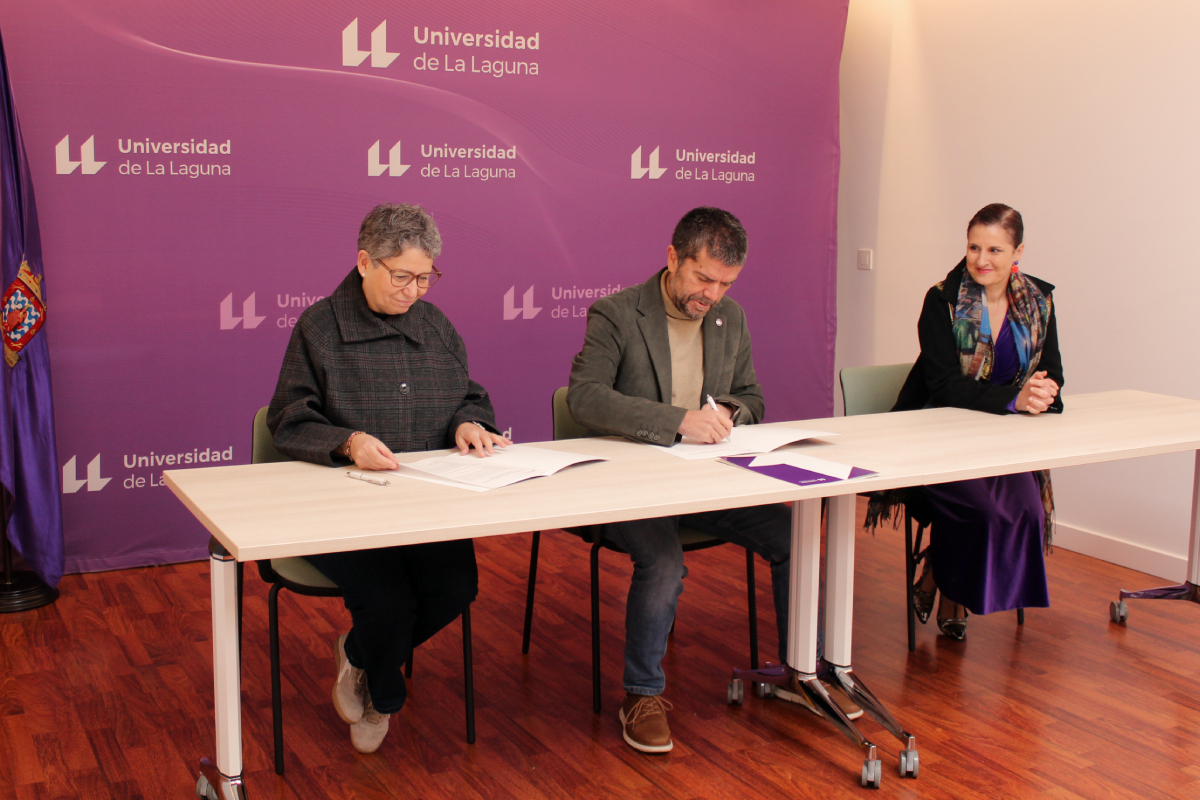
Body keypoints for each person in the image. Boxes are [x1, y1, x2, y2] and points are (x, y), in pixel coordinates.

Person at [567, 206, 858, 755]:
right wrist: (677, 421)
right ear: (673, 257)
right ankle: (642, 694)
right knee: (665, 562)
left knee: (795, 536)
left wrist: (727, 411)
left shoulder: (731, 319)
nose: (712, 295)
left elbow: (752, 396)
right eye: (703, 278)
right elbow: (584, 398)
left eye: (725, 283)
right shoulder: (616, 313)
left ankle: (803, 670)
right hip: (632, 484)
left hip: (703, 482)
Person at [267, 203, 510, 753]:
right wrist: (347, 442)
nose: (414, 291)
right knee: (389, 602)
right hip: (343, 505)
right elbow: (288, 419)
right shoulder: (321, 327)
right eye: (401, 276)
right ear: (363, 262)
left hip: (424, 502)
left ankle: (358, 654)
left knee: (456, 587)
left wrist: (470, 422)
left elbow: (467, 394)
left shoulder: (437, 326)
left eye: (425, 277)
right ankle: (385, 691)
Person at [882, 202, 1062, 641]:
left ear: (1018, 251)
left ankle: (934, 576)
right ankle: (949, 593)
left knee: (1026, 510)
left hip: (1005, 438)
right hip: (936, 433)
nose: (982, 260)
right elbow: (943, 386)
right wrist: (1014, 399)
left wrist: (1046, 391)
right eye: (973, 247)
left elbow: (1052, 368)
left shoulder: (1039, 300)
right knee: (981, 510)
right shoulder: (942, 299)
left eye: (995, 250)